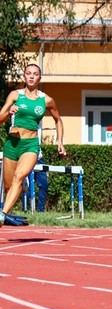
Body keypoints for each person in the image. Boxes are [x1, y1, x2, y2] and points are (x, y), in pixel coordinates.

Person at [0, 63, 66, 227]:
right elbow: (0, 118)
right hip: (12, 143)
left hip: (30, 145)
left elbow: (58, 120)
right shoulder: (15, 95)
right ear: (24, 76)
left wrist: (60, 142)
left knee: (18, 177)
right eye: (28, 73)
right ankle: (22, 186)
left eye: (35, 74)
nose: (31, 76)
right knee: (9, 186)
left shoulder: (46, 100)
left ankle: (2, 216)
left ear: (39, 77)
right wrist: (9, 112)